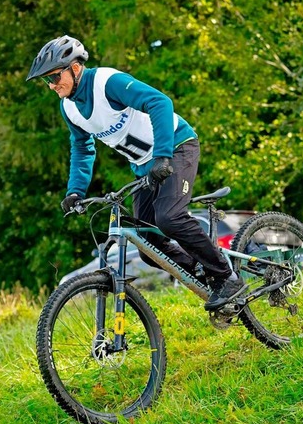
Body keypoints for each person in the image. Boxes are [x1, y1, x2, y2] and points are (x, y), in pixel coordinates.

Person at [26, 35, 245, 311]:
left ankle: (226, 276)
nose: (52, 85)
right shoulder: (69, 107)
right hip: (145, 166)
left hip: (176, 147)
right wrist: (75, 190)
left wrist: (163, 156)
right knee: (146, 243)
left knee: (169, 217)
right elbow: (82, 147)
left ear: (76, 68)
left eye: (55, 77)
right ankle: (203, 271)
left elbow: (160, 103)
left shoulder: (107, 82)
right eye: (47, 81)